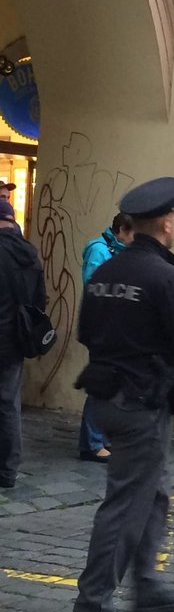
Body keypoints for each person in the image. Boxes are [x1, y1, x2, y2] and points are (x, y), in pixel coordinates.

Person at [71, 177, 174, 612]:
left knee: (151, 497)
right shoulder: (163, 276)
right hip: (140, 400)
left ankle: (146, 587)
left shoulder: (105, 273)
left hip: (107, 395)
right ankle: (94, 607)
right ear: (165, 222)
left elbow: (85, 332)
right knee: (124, 507)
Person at [78, 212, 135, 463]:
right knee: (102, 386)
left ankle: (101, 437)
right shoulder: (100, 251)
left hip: (117, 329)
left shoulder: (120, 251)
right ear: (122, 230)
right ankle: (92, 442)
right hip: (103, 329)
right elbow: (95, 290)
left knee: (115, 386)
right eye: (134, 234)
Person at [0, 199, 45, 490]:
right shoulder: (29, 254)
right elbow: (40, 302)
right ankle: (8, 470)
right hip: (15, 339)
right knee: (8, 403)